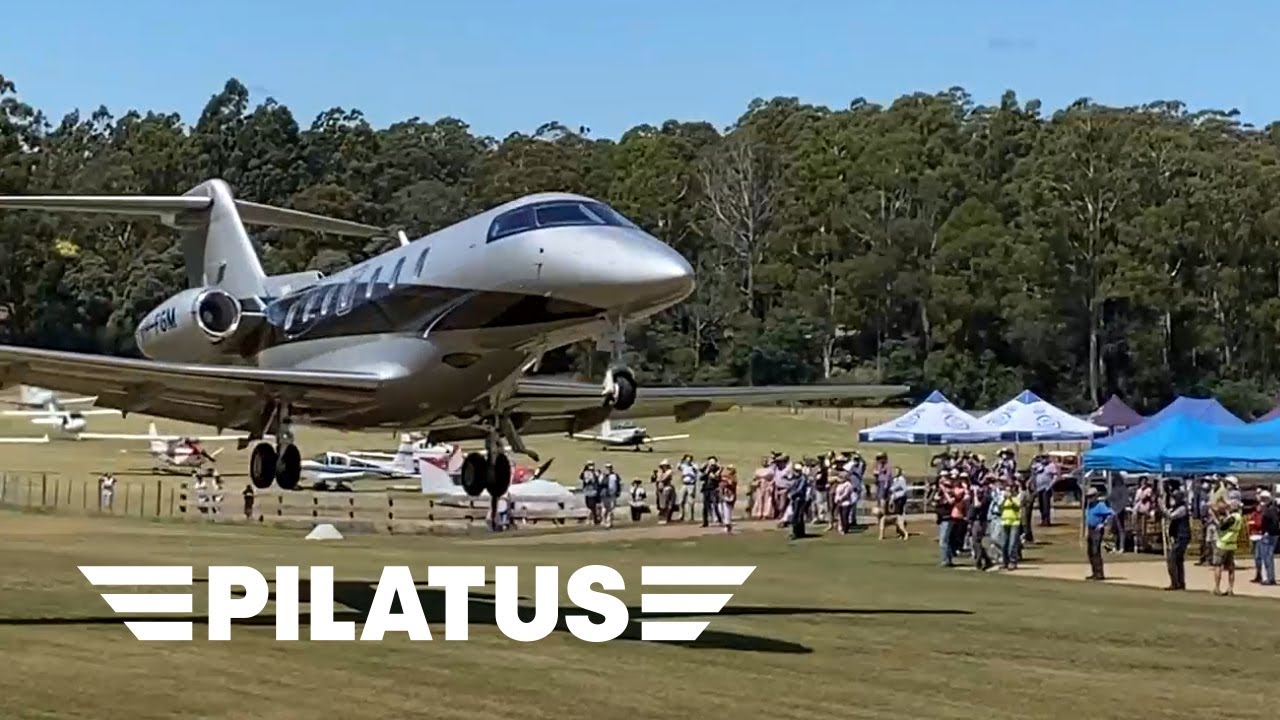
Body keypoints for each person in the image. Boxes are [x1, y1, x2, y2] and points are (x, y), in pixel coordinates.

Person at [1213, 500, 1243, 596]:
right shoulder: (1239, 517)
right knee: (1231, 568)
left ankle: (1217, 587)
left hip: (1223, 543)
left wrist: (1215, 518)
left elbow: (1222, 527)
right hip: (1232, 544)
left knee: (1218, 566)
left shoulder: (1233, 518)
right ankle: (1230, 588)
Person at [1163, 489, 1191, 590]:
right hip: (1179, 536)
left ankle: (1175, 583)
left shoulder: (1182, 509)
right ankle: (1180, 583)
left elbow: (1171, 516)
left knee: (1172, 558)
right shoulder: (1176, 507)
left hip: (1182, 536)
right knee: (1178, 560)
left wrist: (1161, 507)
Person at [1084, 488, 1115, 580]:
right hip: (1090, 529)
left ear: (1095, 496)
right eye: (1088, 497)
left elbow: (1111, 514)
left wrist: (1103, 524)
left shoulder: (1100, 505)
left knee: (1095, 551)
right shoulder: (1089, 506)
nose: (1089, 498)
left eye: (1091, 496)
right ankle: (1094, 572)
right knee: (1090, 552)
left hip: (1097, 530)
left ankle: (1099, 573)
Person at [1259, 491, 1279, 586]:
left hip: (1269, 535)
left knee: (1266, 557)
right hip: (1272, 534)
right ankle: (1270, 577)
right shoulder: (1273, 509)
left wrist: (1267, 532)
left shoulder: (1269, 510)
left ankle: (1268, 578)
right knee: (1268, 556)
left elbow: (1272, 523)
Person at [787, 465, 810, 539]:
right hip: (795, 499)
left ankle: (797, 532)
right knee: (797, 515)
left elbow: (800, 489)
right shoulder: (795, 478)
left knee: (797, 516)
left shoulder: (802, 478)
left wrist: (792, 494)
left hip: (799, 499)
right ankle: (799, 532)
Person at [600, 462, 622, 529]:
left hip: (612, 494)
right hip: (604, 495)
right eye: (607, 468)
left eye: (609, 468)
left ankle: (609, 522)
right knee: (605, 509)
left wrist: (618, 492)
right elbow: (599, 485)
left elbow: (618, 484)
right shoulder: (602, 476)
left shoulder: (615, 476)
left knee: (611, 509)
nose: (608, 469)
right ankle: (604, 520)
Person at [719, 465, 738, 533]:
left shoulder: (733, 478)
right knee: (721, 510)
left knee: (727, 511)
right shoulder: (725, 477)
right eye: (728, 469)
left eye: (730, 469)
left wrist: (725, 480)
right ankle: (727, 524)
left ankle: (728, 525)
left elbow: (731, 483)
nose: (728, 471)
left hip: (730, 496)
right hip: (724, 495)